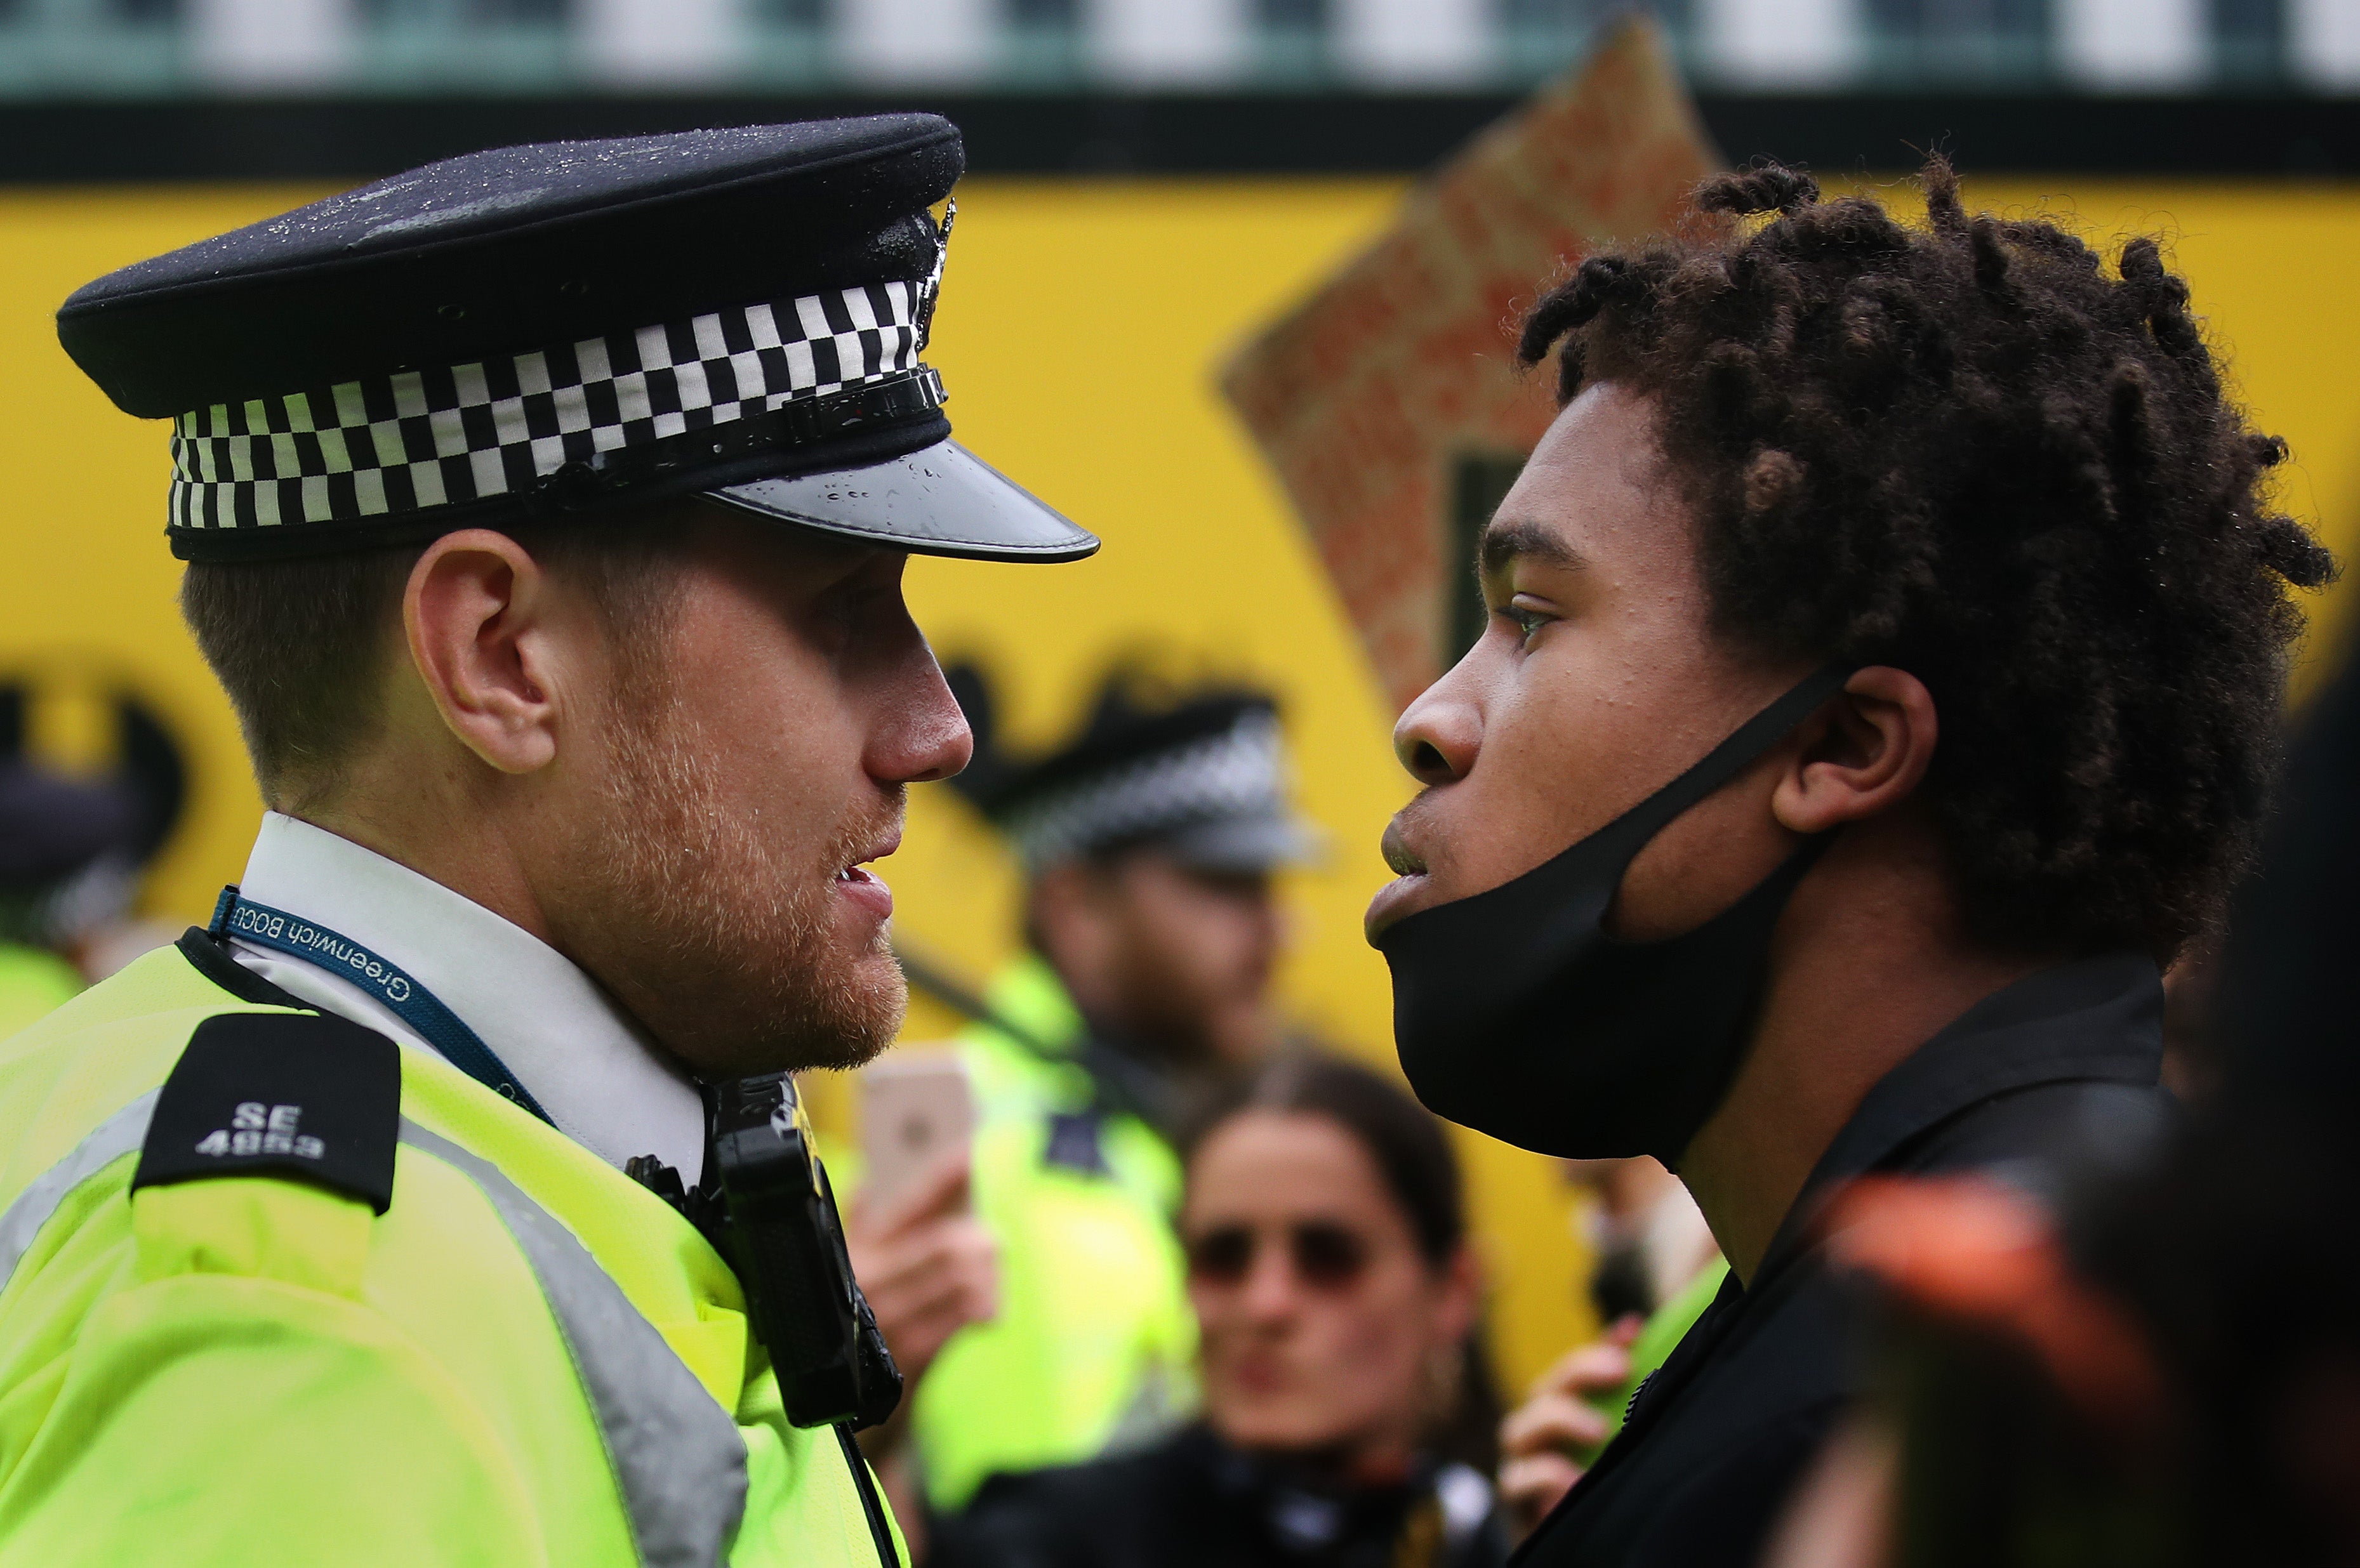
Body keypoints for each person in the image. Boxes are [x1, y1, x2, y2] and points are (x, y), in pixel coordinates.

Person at [0, 115, 1098, 1565]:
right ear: (501, 658)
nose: (937, 727)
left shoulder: (398, 1176)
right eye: (844, 613)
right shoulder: (313, 1332)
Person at [1360, 157, 2331, 1566]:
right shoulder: (1910, 1322)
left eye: (1528, 614)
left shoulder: (1930, 1425)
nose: (1429, 718)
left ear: (1842, 745)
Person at [886, 666, 1318, 1515]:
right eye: (1223, 883)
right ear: (1074, 902)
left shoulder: (1172, 1115)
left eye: (1269, 884)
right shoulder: (997, 1154)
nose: (1278, 927)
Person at [938, 1053, 1509, 1568]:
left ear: (1452, 1291)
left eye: (1329, 1257)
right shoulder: (1040, 1540)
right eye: (1223, 1257)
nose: (1265, 1304)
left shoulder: (1517, 1533)